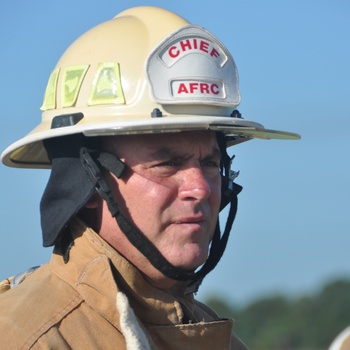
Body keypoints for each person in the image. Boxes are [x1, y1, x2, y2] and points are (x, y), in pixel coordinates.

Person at [0, 6, 300, 349]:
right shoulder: (27, 340)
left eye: (210, 163)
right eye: (167, 164)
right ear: (87, 181)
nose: (200, 188)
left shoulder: (219, 340)